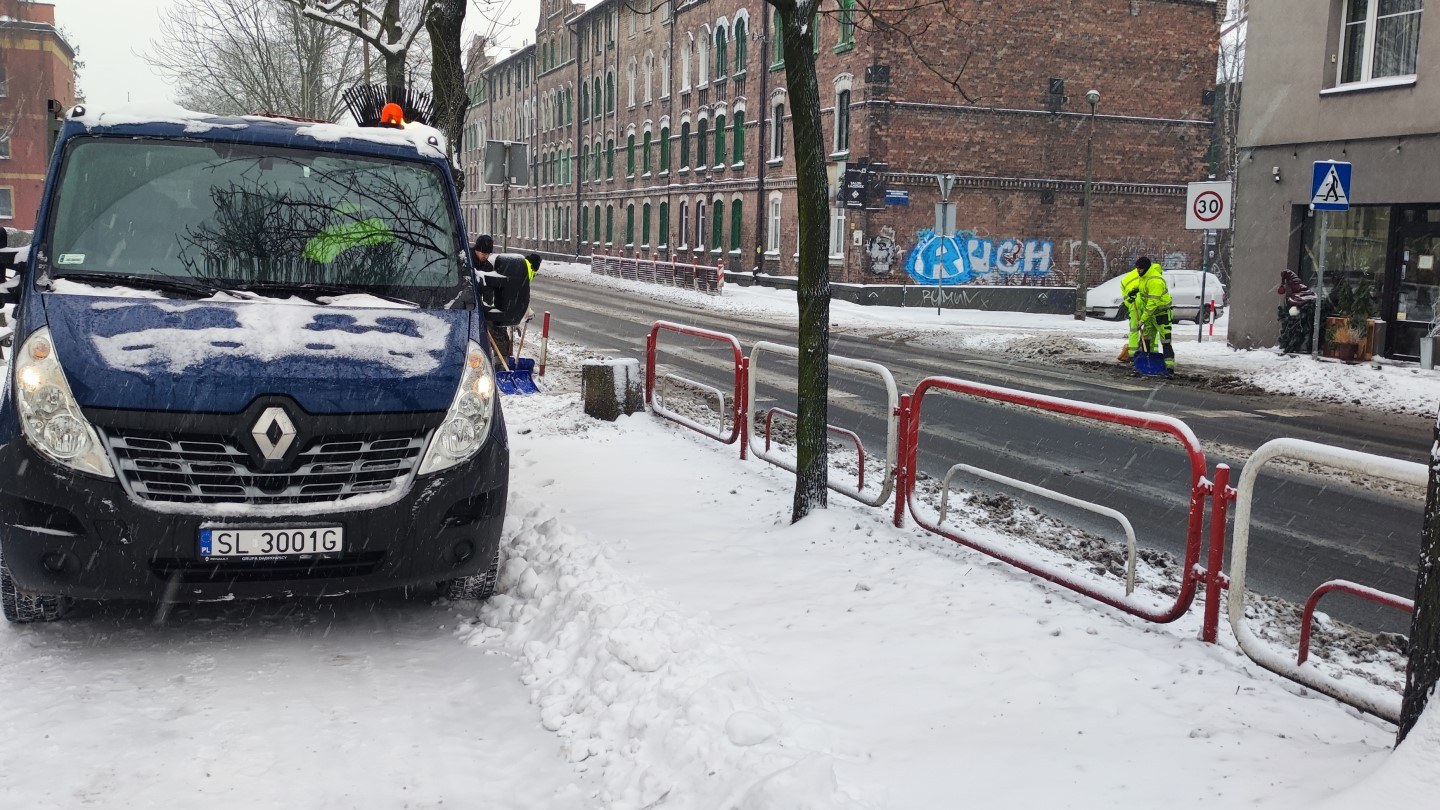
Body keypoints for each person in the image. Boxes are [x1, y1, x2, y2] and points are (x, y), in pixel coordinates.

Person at [1120, 256, 1175, 375]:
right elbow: (1142, 287)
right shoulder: (1144, 277)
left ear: (1145, 268)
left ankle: (1169, 368)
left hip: (1162, 314)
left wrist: (1142, 320)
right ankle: (1146, 365)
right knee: (1147, 340)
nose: (1138, 271)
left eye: (1140, 269)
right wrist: (1134, 291)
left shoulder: (1155, 280)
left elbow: (1152, 304)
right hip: (1151, 315)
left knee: (1165, 341)